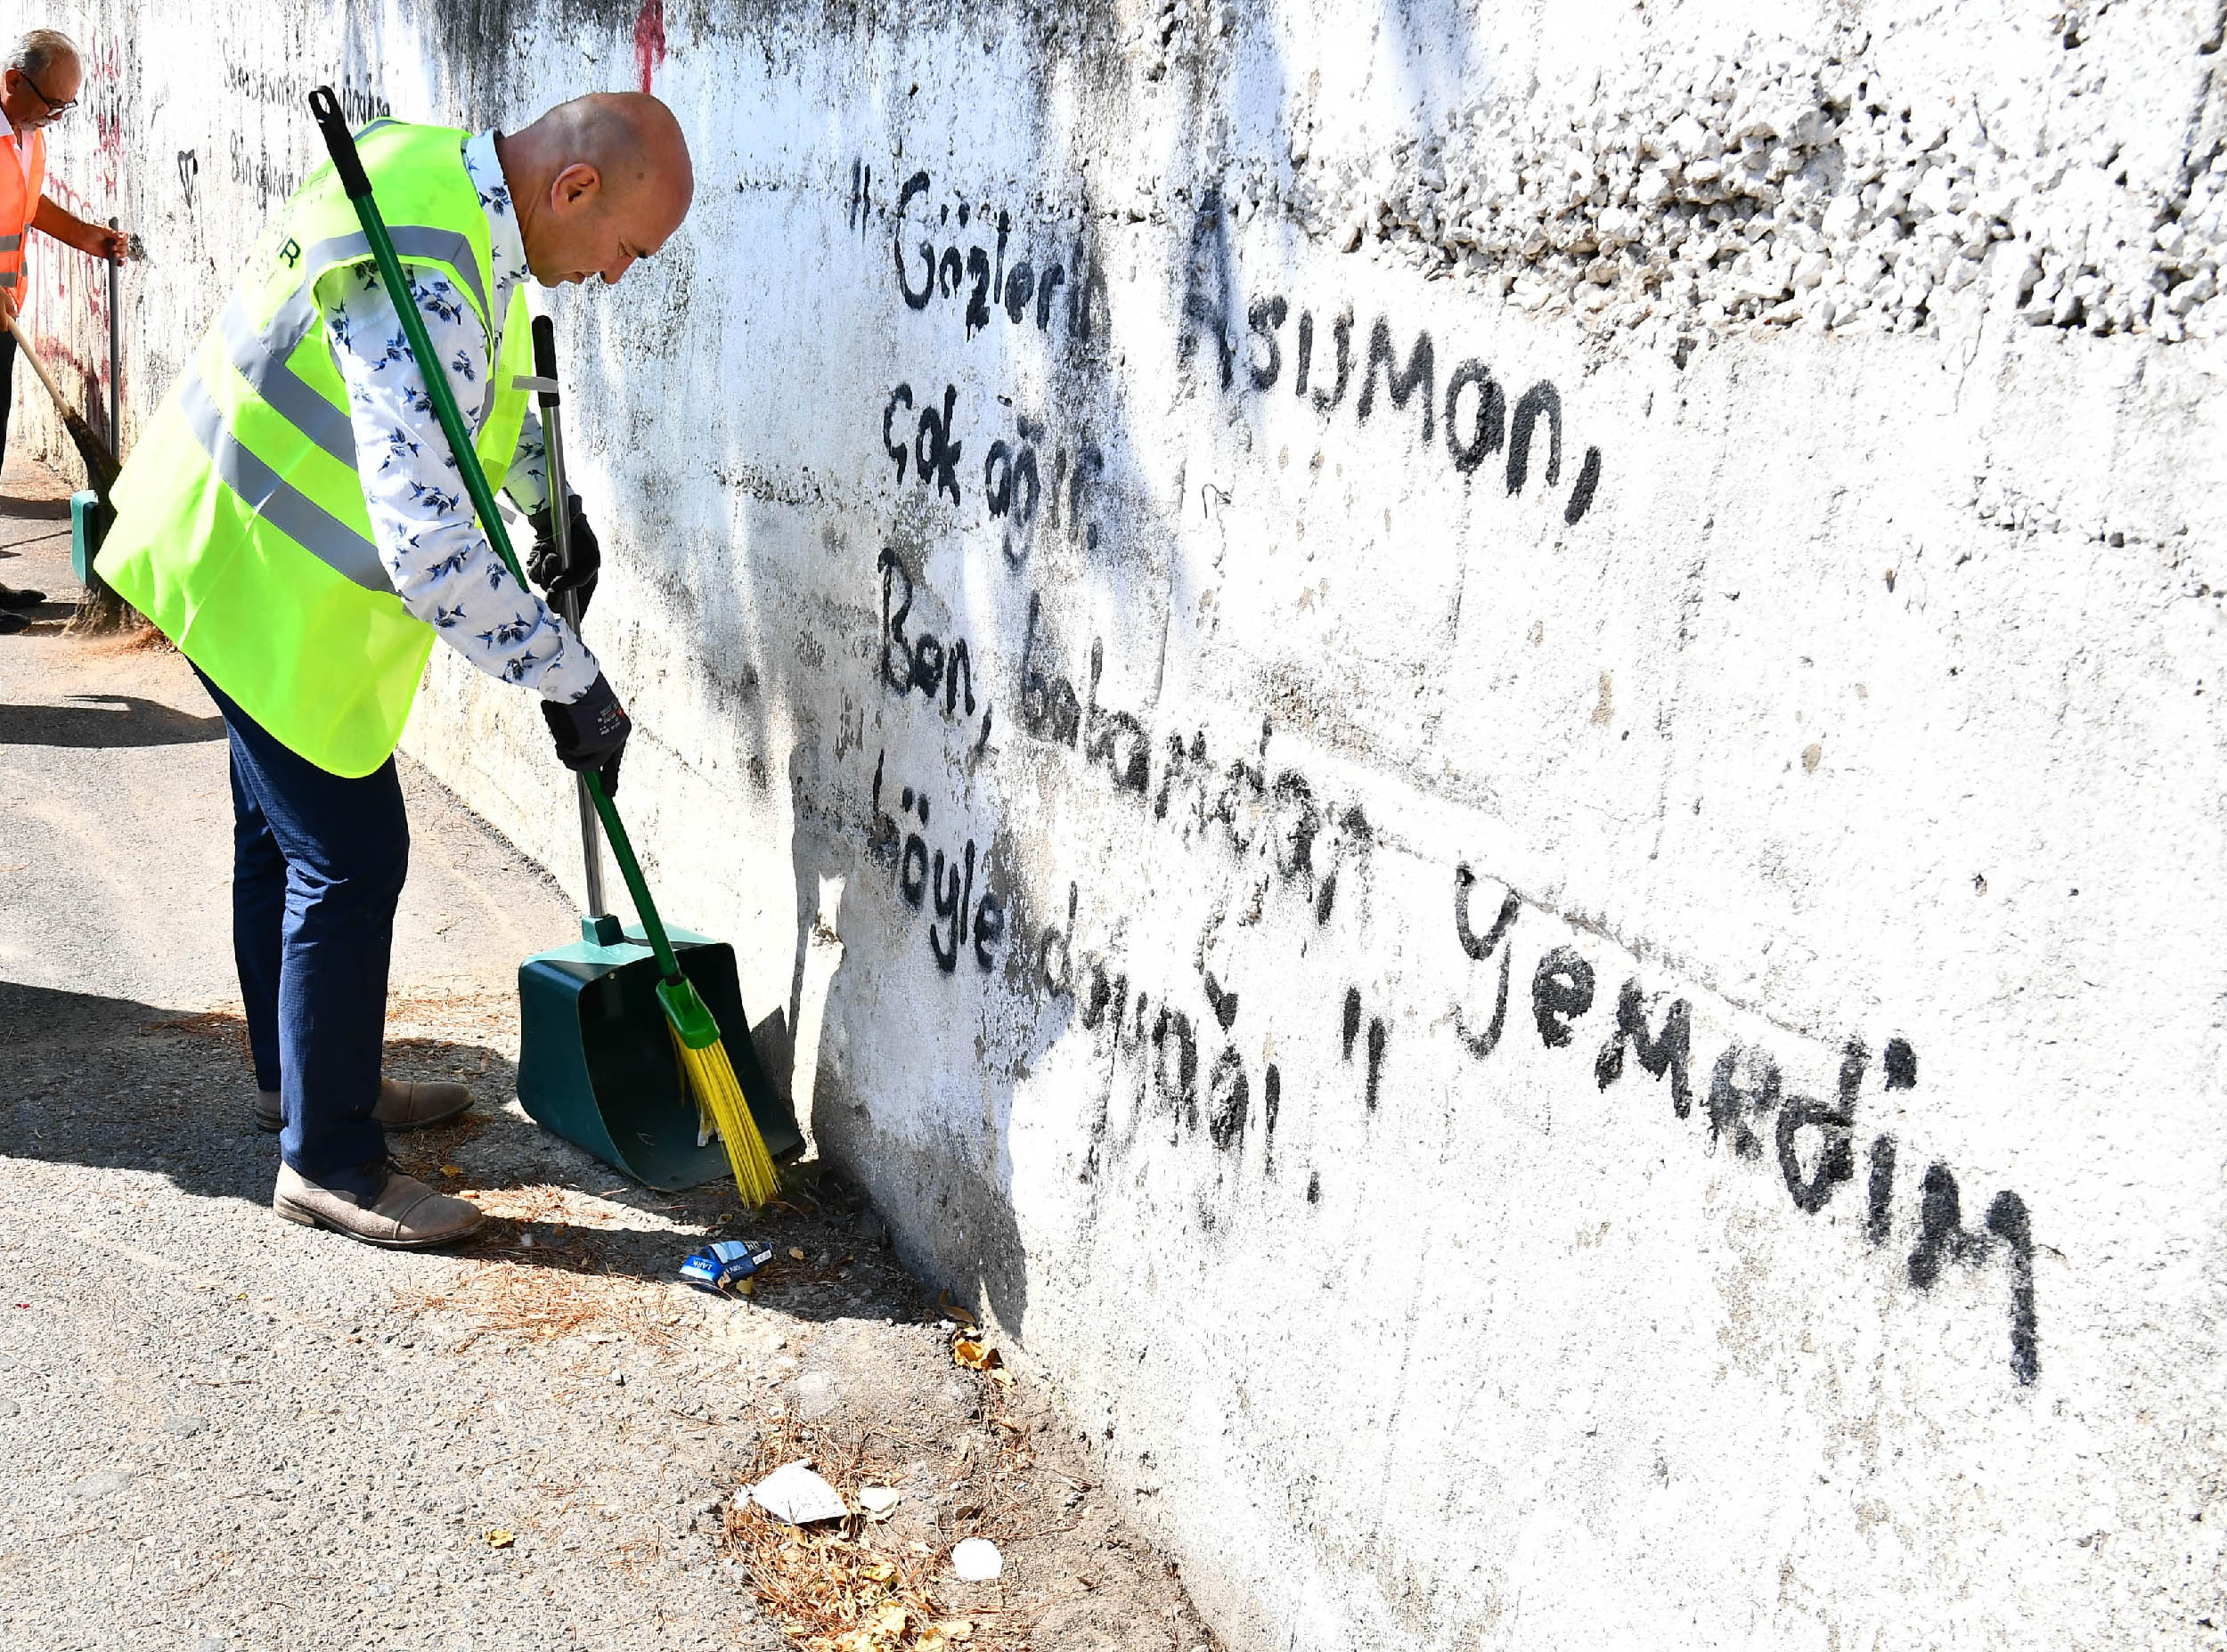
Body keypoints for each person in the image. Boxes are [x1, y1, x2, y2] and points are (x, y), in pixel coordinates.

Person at [96, 94, 693, 1248]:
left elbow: (467, 386)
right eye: (627, 249)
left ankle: (305, 1080)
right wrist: (565, 673)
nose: (616, 277)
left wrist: (542, 497)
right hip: (252, 567)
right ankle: (328, 1158)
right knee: (351, 852)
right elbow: (425, 546)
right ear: (575, 190)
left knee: (281, 835)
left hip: (237, 541)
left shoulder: (439, 193)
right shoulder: (420, 254)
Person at [0, 28, 132, 624]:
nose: (55, 117)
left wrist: (85, 235)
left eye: (64, 108)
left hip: (5, 318)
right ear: (11, 81)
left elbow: (27, 209)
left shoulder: (27, 138)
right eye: (50, 104)